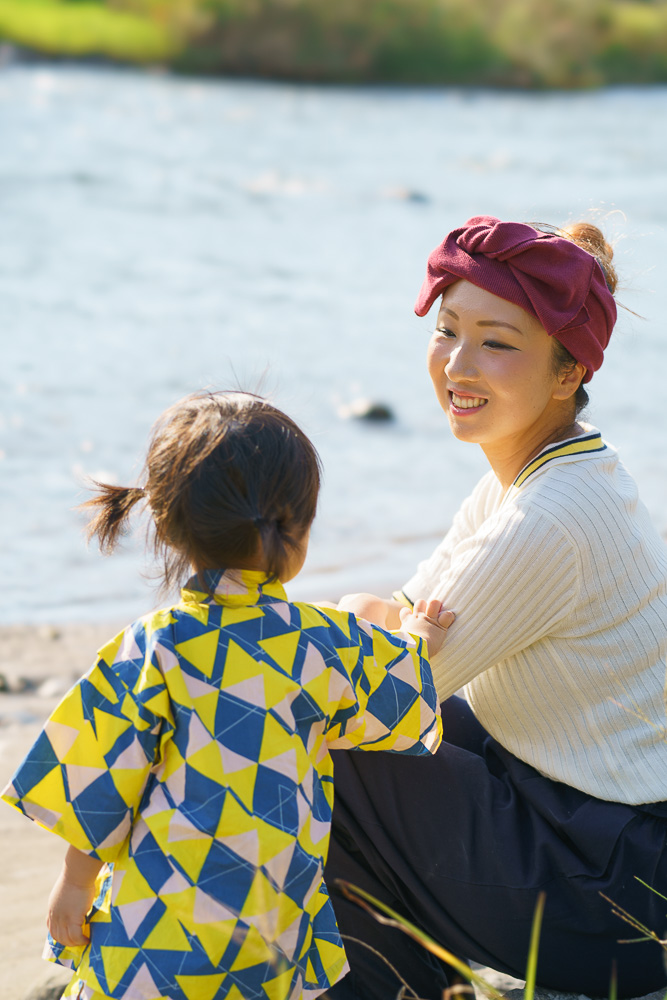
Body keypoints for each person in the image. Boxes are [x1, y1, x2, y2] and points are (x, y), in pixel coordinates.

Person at [1, 390, 453, 1000]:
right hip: (273, 924)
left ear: (164, 522)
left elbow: (102, 781)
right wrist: (418, 636)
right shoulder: (324, 643)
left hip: (159, 922)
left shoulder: (154, 648)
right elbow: (403, 702)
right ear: (299, 534)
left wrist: (75, 886)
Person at [324, 217, 667, 1000]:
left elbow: (375, 692)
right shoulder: (536, 475)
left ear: (564, 372)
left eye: (497, 342)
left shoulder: (545, 517)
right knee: (421, 720)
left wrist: (368, 626)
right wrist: (368, 620)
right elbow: (403, 615)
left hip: (620, 892)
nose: (456, 363)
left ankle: (389, 988)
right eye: (447, 330)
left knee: (331, 748)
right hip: (594, 830)